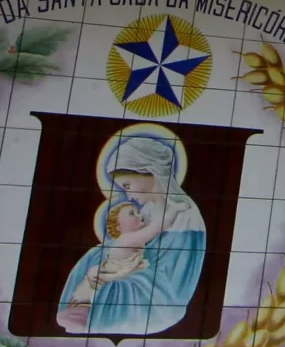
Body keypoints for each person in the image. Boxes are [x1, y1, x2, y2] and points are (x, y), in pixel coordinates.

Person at [57, 124, 207, 336]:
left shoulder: (185, 213)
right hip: (135, 269)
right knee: (96, 257)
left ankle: (85, 312)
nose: (128, 196)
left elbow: (174, 277)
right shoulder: (148, 208)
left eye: (127, 186)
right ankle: (79, 309)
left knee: (104, 281)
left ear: (150, 172)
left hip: (157, 292)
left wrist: (122, 270)